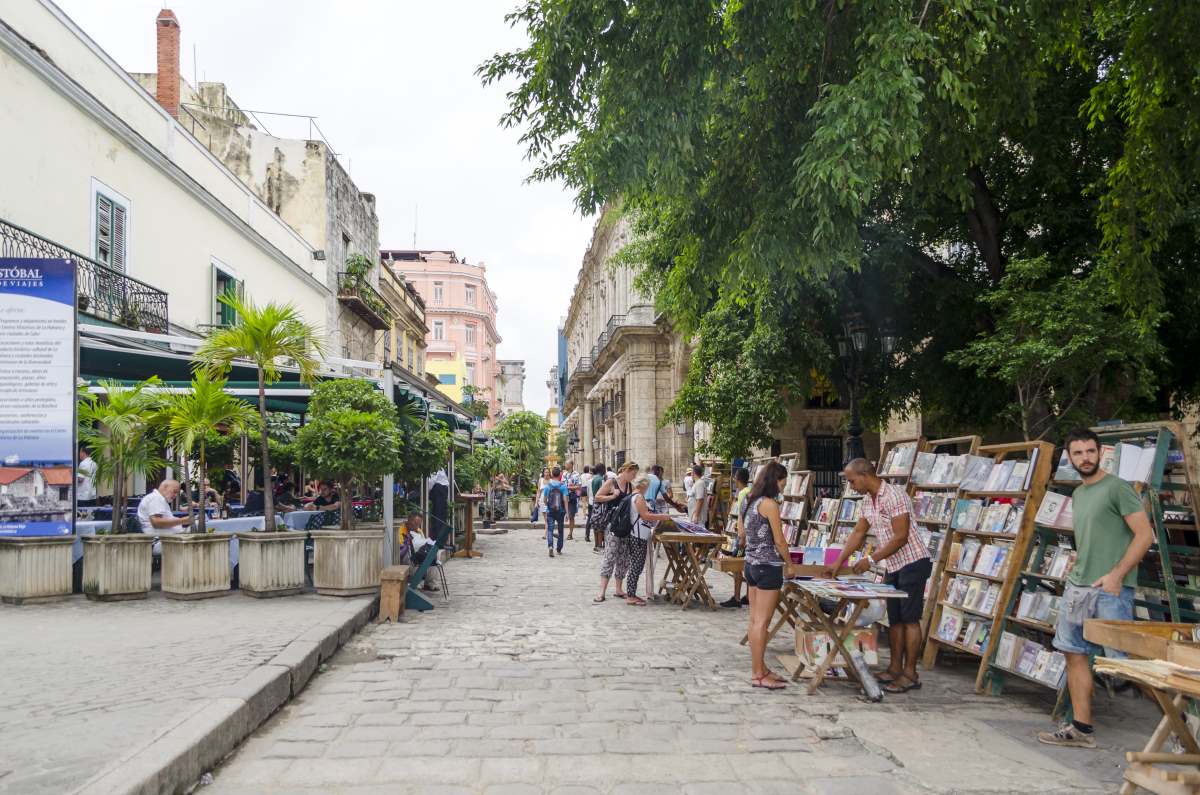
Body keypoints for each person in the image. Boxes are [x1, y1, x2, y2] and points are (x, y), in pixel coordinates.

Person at [1037, 429, 1154, 749]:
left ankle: (1182, 721)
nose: (1085, 458)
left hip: (1110, 589)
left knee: (1123, 667)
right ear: (1070, 457)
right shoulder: (1079, 494)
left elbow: (1145, 535)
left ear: (1100, 452)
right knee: (1073, 655)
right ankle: (1081, 729)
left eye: (1090, 451)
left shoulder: (1118, 488)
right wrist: (1080, 556)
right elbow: (1096, 535)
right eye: (1078, 453)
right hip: (1078, 586)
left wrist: (1116, 574)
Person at [825, 458, 932, 695]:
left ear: (865, 475)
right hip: (893, 565)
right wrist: (839, 561)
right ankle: (895, 668)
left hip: (913, 562)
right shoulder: (867, 501)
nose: (851, 486)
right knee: (894, 619)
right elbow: (858, 533)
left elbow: (901, 536)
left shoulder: (894, 495)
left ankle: (910, 673)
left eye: (852, 480)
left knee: (910, 619)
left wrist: (871, 560)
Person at [741, 461, 792, 688]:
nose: (783, 486)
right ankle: (757, 674)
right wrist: (789, 562)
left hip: (750, 564)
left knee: (754, 621)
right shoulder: (770, 504)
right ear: (775, 480)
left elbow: (741, 533)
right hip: (768, 566)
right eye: (783, 481)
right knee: (762, 622)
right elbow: (779, 540)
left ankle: (760, 668)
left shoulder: (748, 501)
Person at [624, 473, 673, 606]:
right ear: (644, 485)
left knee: (636, 564)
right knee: (636, 565)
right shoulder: (639, 497)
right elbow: (645, 516)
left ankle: (631, 593)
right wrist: (662, 517)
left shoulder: (633, 495)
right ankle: (631, 595)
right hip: (638, 535)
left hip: (637, 534)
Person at [594, 461, 638, 602]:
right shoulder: (612, 482)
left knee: (624, 558)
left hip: (626, 527)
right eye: (633, 473)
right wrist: (612, 496)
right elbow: (597, 497)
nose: (634, 476)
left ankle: (619, 589)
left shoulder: (631, 486)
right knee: (610, 556)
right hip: (613, 526)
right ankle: (601, 591)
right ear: (626, 470)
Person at [721, 466, 753, 608]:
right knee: (746, 566)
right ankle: (748, 596)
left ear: (737, 479)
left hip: (743, 537)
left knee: (736, 565)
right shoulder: (750, 491)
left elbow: (742, 516)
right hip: (749, 536)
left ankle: (737, 597)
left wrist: (741, 537)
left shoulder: (742, 494)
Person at [543, 467, 569, 558]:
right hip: (561, 511)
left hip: (550, 511)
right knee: (560, 530)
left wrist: (548, 506)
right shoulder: (563, 486)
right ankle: (558, 549)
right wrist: (567, 513)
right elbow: (565, 500)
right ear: (560, 475)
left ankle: (550, 546)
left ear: (552, 475)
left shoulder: (548, 486)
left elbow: (544, 500)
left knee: (550, 529)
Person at [588, 462, 607, 551]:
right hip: (601, 503)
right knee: (600, 525)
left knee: (595, 524)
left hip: (595, 502)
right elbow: (603, 492)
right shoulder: (601, 479)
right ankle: (600, 545)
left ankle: (596, 544)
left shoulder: (594, 479)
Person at [564, 461, 581, 541]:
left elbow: (579, 486)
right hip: (564, 497)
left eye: (566, 464)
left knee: (571, 516)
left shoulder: (576, 474)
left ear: (571, 465)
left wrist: (569, 488)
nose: (565, 465)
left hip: (572, 497)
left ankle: (570, 533)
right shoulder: (564, 474)